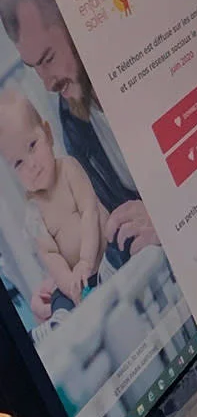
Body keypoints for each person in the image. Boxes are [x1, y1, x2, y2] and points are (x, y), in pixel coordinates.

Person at [0, 0, 161, 316]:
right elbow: (112, 237)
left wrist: (169, 218)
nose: (47, 83)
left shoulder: (152, 65)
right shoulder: (73, 122)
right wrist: (66, 286)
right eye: (34, 67)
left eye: (48, 59)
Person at [0, 90, 116, 318]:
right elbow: (50, 256)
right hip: (80, 279)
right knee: (57, 298)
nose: (31, 165)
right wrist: (70, 284)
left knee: (120, 234)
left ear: (48, 134)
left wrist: (86, 261)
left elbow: (89, 212)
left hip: (104, 253)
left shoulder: (68, 169)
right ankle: (61, 319)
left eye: (32, 145)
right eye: (19, 163)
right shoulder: (33, 213)